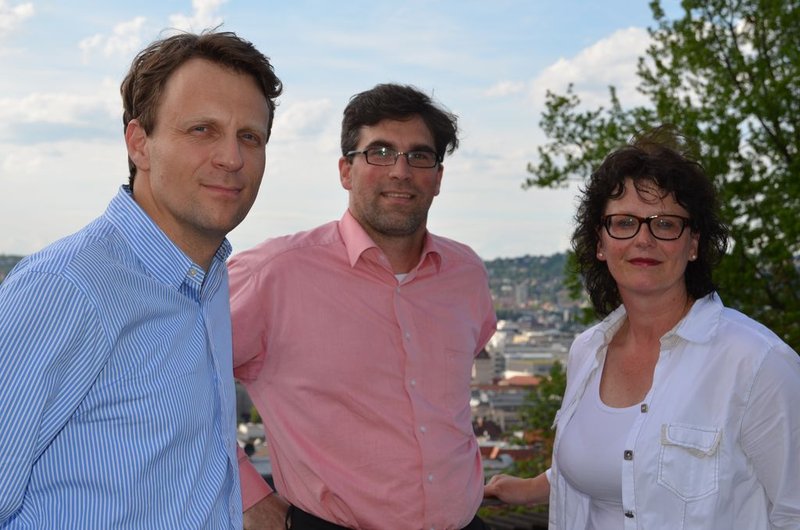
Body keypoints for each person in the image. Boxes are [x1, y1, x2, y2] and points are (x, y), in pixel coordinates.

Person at [0, 30, 282, 528]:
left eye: (249, 137)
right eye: (202, 130)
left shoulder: (207, 281)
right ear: (139, 144)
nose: (232, 158)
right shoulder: (65, 289)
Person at [484, 125, 800, 528]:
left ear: (693, 243)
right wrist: (537, 486)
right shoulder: (587, 352)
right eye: (624, 222)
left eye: (665, 224)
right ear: (601, 243)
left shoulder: (757, 363)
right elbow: (626, 459)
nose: (643, 239)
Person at [229, 83, 497, 529]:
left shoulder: (466, 275)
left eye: (419, 156)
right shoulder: (273, 274)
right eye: (380, 152)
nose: (401, 171)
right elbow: (174, 380)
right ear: (345, 171)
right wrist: (248, 496)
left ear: (438, 177)